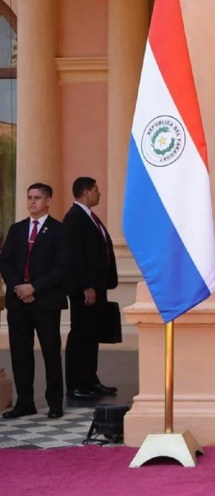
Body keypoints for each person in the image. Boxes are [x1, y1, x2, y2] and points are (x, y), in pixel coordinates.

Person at [0, 183, 68, 419]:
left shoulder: (59, 231)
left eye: (37, 198)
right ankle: (25, 402)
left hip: (46, 301)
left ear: (48, 201)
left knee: (50, 351)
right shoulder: (17, 229)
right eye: (29, 197)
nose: (32, 202)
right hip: (18, 302)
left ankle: (55, 403)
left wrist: (34, 287)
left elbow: (62, 268)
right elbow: (5, 261)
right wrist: (20, 287)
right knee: (20, 353)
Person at [63, 177, 118, 401]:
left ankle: (90, 379)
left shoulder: (89, 217)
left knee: (92, 334)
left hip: (98, 287)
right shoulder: (74, 218)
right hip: (84, 290)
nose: (100, 193)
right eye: (96, 189)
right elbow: (75, 257)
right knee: (80, 335)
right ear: (86, 191)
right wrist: (86, 286)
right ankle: (76, 383)